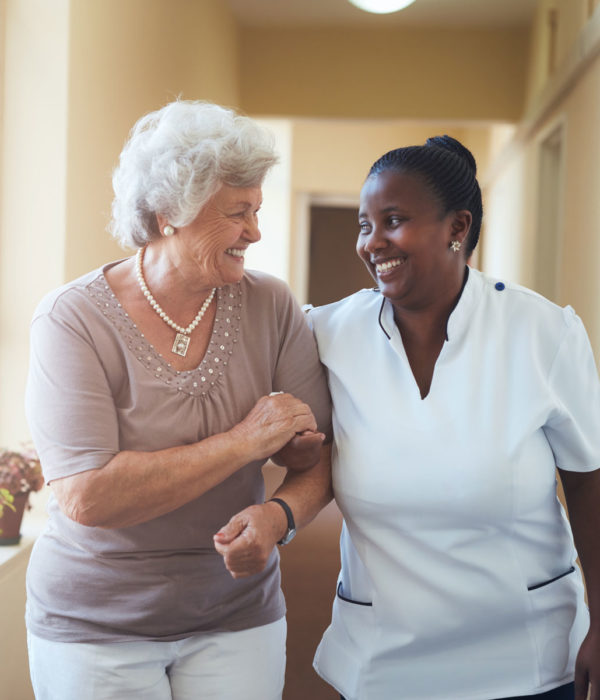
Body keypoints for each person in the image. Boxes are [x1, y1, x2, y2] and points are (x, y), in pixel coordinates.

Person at [219, 136, 600, 700]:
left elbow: (589, 482)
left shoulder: (544, 333)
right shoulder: (327, 334)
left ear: (457, 227)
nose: (373, 243)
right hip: (382, 659)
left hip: (525, 654)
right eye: (364, 225)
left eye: (392, 221)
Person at [24, 100, 332, 700]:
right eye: (238, 212)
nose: (256, 232)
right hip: (95, 627)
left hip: (237, 614)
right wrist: (245, 442)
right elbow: (89, 495)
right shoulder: (72, 319)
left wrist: (279, 514)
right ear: (169, 213)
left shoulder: (271, 305)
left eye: (258, 210)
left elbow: (317, 457)